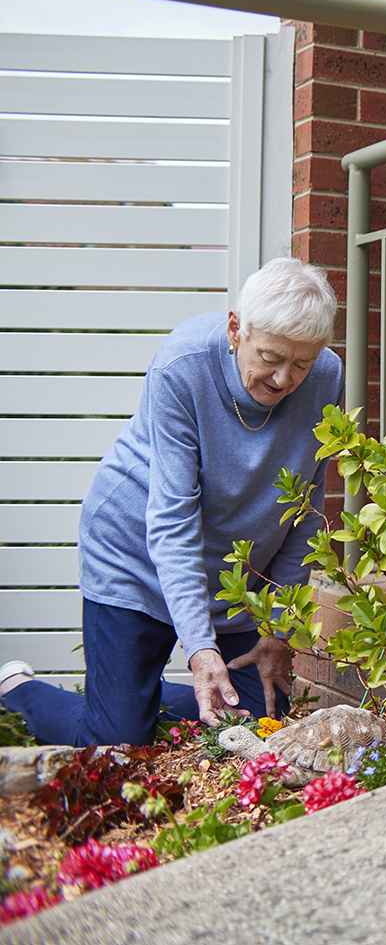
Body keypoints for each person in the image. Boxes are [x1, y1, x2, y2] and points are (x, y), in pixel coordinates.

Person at [0, 258, 342, 744]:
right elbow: (173, 520)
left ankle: (131, 693)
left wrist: (276, 628)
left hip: (232, 572)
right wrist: (201, 650)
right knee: (119, 742)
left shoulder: (327, 377)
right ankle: (21, 689)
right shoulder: (182, 368)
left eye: (301, 364)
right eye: (270, 356)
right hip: (134, 550)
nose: (284, 379)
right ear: (235, 330)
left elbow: (304, 508)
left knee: (255, 723)